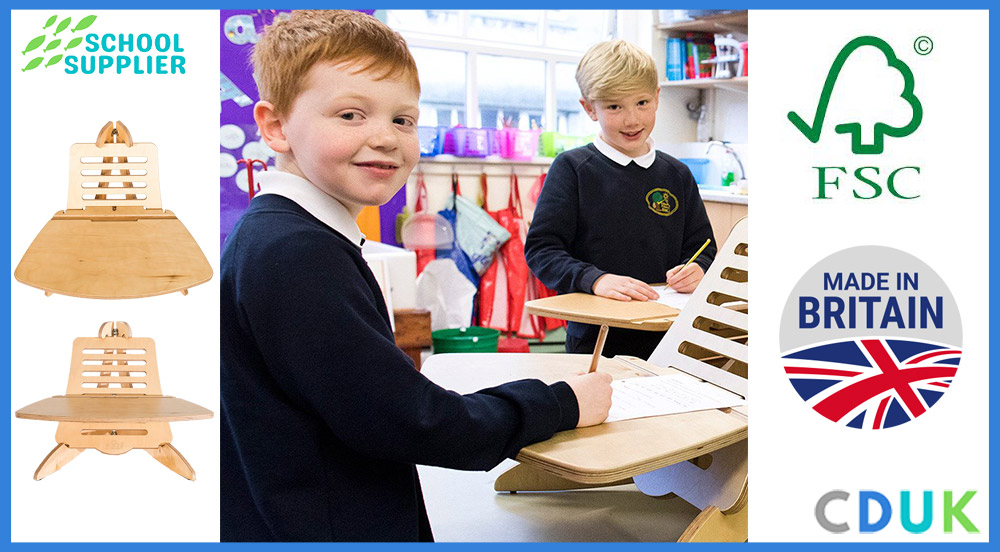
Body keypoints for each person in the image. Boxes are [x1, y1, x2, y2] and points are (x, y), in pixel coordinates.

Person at [219, 10, 613, 542]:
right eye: (351, 115)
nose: (386, 138)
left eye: (403, 120)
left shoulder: (285, 233)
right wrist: (561, 403)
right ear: (276, 127)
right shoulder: (295, 252)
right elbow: (411, 422)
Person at [525, 39, 717, 360]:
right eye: (614, 107)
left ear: (657, 97)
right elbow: (542, 251)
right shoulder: (572, 169)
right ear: (589, 108)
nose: (632, 120)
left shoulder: (678, 174)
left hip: (671, 336)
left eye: (642, 102)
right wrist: (595, 279)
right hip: (596, 341)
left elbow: (704, 248)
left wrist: (697, 268)